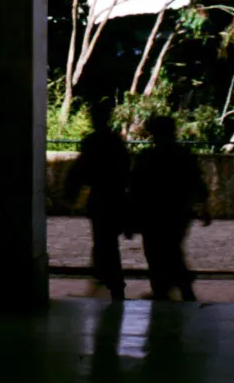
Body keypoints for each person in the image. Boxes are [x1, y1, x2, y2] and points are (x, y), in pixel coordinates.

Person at [130, 115, 211, 301]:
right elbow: (197, 183)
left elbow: (136, 188)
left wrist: (131, 217)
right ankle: (180, 288)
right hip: (178, 212)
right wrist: (204, 208)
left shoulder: (148, 157)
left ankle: (164, 289)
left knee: (155, 253)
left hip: (153, 214)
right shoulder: (184, 155)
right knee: (173, 250)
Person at [63, 98, 130, 301]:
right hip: (116, 197)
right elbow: (126, 171)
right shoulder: (116, 142)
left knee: (103, 242)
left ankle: (113, 280)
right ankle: (112, 280)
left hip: (101, 198)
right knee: (108, 242)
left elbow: (79, 171)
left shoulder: (92, 142)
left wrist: (70, 195)